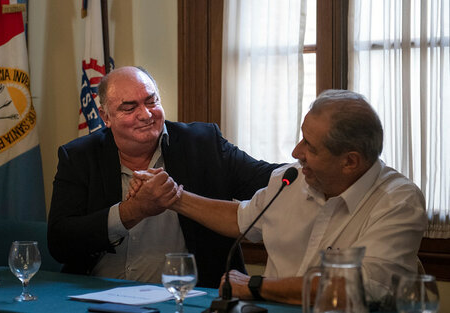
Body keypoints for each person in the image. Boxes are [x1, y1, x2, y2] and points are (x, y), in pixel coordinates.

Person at [132, 89, 427, 304]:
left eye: (311, 147)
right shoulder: (292, 179)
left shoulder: (398, 201)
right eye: (302, 137)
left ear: (350, 161)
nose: (296, 153)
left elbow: (352, 288)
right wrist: (173, 197)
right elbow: (242, 219)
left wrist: (255, 286)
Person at [47, 66, 280, 288]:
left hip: (188, 299)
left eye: (152, 101)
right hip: (99, 297)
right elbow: (60, 243)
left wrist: (311, 161)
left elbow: (270, 180)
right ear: (105, 117)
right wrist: (132, 211)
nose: (146, 114)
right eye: (129, 108)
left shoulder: (204, 144)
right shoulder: (79, 156)